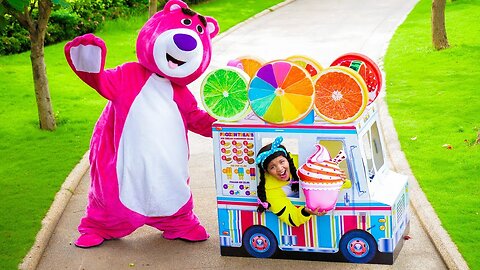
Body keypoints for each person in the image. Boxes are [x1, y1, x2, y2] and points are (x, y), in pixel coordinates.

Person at [256, 136, 326, 227]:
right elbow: (292, 217)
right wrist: (306, 211)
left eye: (282, 162)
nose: (280, 169)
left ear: (287, 160)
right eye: (272, 167)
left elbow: (324, 174)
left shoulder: (301, 162)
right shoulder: (270, 191)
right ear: (267, 172)